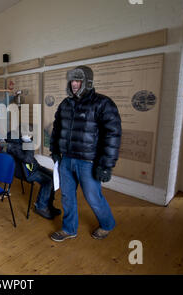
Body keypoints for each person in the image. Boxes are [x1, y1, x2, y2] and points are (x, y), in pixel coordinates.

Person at [49, 65, 122, 241]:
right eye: (72, 80)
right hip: (66, 159)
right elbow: (57, 129)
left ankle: (107, 224)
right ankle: (69, 229)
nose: (74, 84)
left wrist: (106, 165)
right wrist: (55, 150)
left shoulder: (103, 103)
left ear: (87, 82)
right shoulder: (65, 104)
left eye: (78, 80)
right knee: (67, 197)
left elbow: (112, 136)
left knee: (93, 197)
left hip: (88, 162)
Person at [6, 131, 60, 219]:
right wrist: (28, 142)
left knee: (53, 177)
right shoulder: (13, 146)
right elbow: (28, 159)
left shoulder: (17, 142)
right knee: (48, 181)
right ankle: (41, 206)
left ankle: (48, 205)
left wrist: (27, 141)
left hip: (34, 167)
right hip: (28, 173)